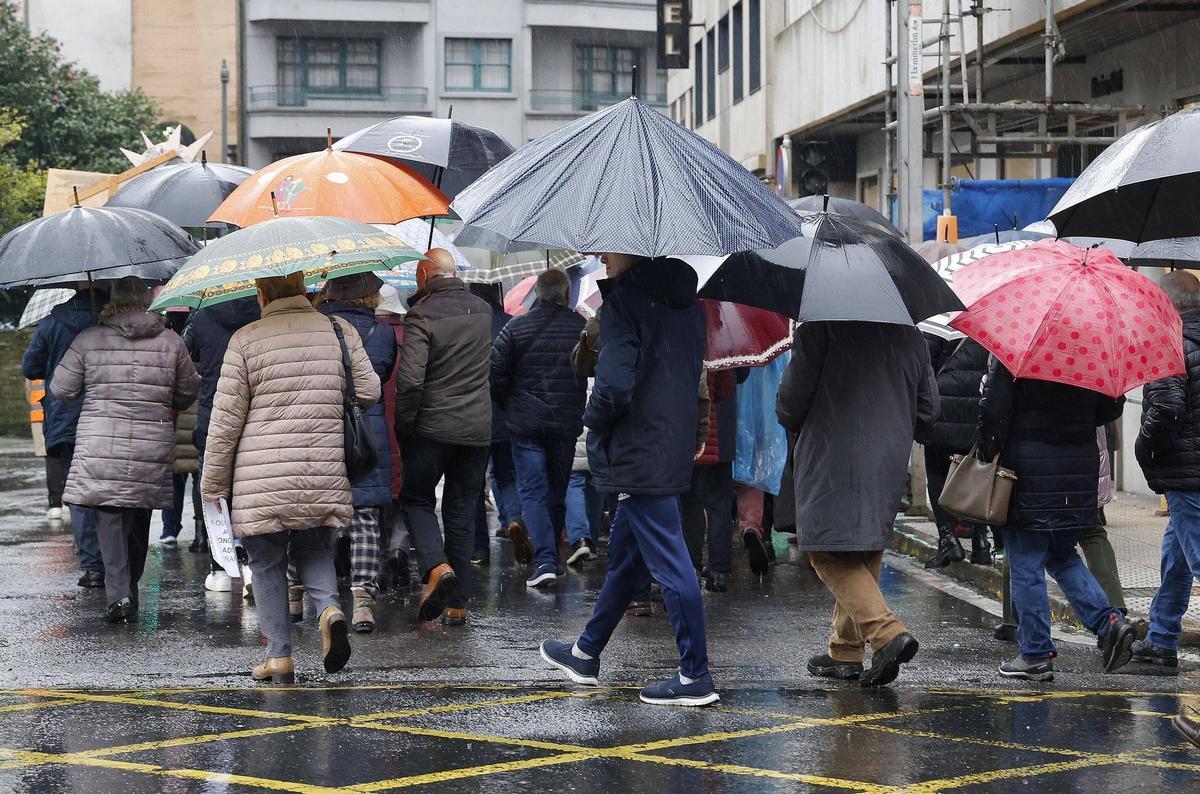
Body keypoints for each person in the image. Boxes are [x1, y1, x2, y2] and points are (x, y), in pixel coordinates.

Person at [540, 254, 718, 707]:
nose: (602, 257)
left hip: (638, 450)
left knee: (672, 562)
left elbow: (614, 384)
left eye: (610, 249)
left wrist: (593, 420)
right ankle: (586, 652)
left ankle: (694, 673)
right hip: (668, 446)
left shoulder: (626, 305)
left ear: (634, 252)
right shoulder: (689, 307)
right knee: (626, 559)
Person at [201, 272, 379, 683]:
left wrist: (212, 485)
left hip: (260, 475)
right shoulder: (338, 329)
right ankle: (331, 610)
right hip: (323, 464)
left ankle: (279, 656)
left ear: (261, 293)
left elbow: (225, 422)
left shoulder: (245, 339)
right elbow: (368, 390)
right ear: (305, 289)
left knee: (266, 562)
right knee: (316, 549)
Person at [779, 322, 935, 687]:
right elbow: (928, 412)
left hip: (831, 454)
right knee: (864, 549)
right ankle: (845, 651)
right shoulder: (910, 335)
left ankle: (887, 633)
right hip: (887, 457)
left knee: (827, 552)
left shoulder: (819, 330)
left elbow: (789, 406)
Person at [50, 277, 200, 623]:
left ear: (112, 299)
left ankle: (120, 594)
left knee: (110, 517)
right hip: (152, 441)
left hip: (100, 442)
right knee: (139, 514)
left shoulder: (88, 339)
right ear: (148, 299)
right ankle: (129, 587)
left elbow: (61, 389)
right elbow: (188, 389)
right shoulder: (170, 341)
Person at [978, 356, 1133, 681]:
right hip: (1076, 474)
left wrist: (985, 450)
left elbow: (994, 414)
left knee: (1025, 563)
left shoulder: (1016, 356)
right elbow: (1109, 410)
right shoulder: (1090, 355)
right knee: (1062, 556)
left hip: (1028, 475)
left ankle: (1034, 653)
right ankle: (1109, 625)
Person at [394, 248, 492, 625]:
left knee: (417, 499)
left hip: (432, 428)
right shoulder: (482, 310)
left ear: (424, 275)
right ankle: (458, 602)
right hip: (476, 429)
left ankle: (436, 567)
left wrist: (405, 424)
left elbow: (411, 381)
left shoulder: (423, 314)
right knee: (462, 509)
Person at [492, 269, 587, 587]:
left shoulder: (514, 328)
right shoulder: (580, 328)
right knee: (557, 491)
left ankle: (545, 559)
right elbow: (592, 369)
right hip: (565, 424)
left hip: (526, 424)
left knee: (532, 491)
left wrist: (511, 405)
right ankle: (553, 560)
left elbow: (496, 375)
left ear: (537, 294)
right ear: (565, 295)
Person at [318, 273, 397, 633]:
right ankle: (363, 601)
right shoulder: (380, 333)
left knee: (316, 514)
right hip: (367, 430)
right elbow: (381, 378)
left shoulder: (315, 328)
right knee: (365, 514)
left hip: (323, 427)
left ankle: (297, 593)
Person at [1133, 270, 1200, 669]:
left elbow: (1166, 407)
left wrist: (1145, 447)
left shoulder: (1170, 342)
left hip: (1186, 471)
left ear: (1168, 304)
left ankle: (1162, 638)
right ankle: (1162, 639)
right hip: (1191, 471)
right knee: (1175, 557)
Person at [22, 286, 108, 588]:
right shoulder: (110, 320)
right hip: (108, 414)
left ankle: (93, 565)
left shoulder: (52, 322)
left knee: (78, 491)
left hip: (66, 415)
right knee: (112, 488)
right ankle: (117, 560)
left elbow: (29, 367)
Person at [182, 294, 261, 587]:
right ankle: (254, 564)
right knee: (252, 491)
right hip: (255, 416)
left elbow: (184, 353)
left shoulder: (203, 316)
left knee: (214, 491)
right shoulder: (262, 316)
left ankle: (219, 567)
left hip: (213, 413)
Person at [922, 336, 992, 568]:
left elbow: (926, 367)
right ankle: (981, 541)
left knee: (937, 472)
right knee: (974, 474)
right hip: (976, 406)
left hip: (943, 406)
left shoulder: (940, 322)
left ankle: (948, 539)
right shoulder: (989, 321)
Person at [681, 369, 736, 592]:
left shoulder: (687, 341)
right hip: (721, 432)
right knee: (720, 503)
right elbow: (727, 388)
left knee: (691, 504)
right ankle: (720, 572)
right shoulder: (724, 344)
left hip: (694, 434)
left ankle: (692, 566)